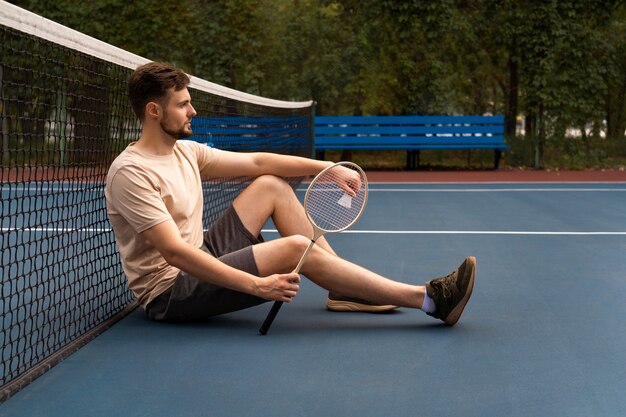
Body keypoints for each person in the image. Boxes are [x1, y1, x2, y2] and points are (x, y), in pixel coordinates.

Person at [105, 61, 475, 327]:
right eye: (183, 104)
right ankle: (428, 300)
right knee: (297, 246)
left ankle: (343, 289)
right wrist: (257, 284)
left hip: (201, 256)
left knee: (270, 185)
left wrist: (327, 169)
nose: (193, 110)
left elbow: (256, 162)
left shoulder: (184, 151)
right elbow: (174, 252)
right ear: (154, 111)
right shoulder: (132, 173)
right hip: (172, 291)